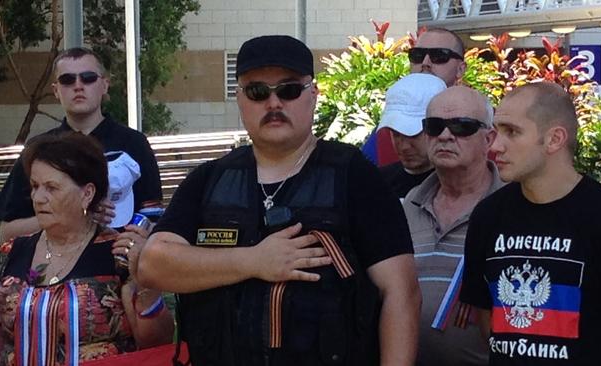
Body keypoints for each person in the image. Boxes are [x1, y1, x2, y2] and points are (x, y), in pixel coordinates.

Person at [136, 35, 420, 366]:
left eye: (288, 90)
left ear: (312, 95)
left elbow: (401, 294)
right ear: (240, 99)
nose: (274, 103)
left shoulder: (354, 177)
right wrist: (254, 261)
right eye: (258, 91)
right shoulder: (210, 179)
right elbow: (153, 264)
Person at [460, 82, 601, 365]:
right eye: (497, 130)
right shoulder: (488, 216)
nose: (495, 146)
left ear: (554, 139)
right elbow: (487, 315)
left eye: (512, 132)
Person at [0, 133, 173, 365]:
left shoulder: (118, 254)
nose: (38, 198)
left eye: (52, 188)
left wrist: (147, 290)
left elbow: (156, 344)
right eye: (35, 186)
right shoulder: (12, 250)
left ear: (87, 194)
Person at [0, 47, 162, 243]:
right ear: (56, 90)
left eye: (88, 77)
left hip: (118, 266)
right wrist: (71, 216)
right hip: (51, 269)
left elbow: (154, 220)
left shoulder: (134, 143)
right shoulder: (39, 149)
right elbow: (6, 232)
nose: (78, 86)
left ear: (105, 85)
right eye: (67, 80)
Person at [403, 86, 502, 366]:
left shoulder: (513, 211)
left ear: (489, 138)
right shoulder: (402, 209)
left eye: (462, 126)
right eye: (434, 126)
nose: (445, 136)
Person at [363, 27, 465, 166]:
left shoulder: (482, 126)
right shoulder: (386, 132)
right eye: (417, 55)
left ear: (460, 69)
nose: (425, 63)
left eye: (439, 56)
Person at [377, 73, 446, 200]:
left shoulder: (460, 185)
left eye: (413, 135)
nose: (404, 146)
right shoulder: (376, 182)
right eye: (396, 134)